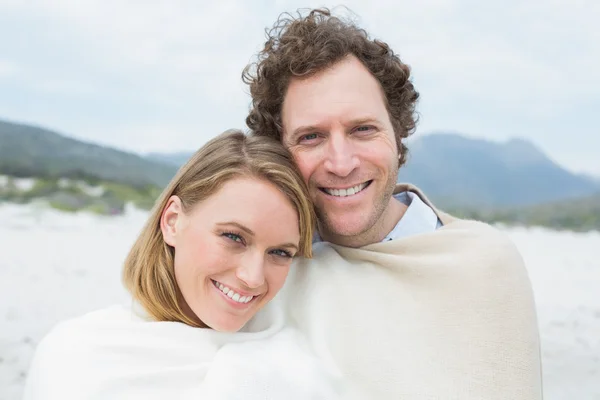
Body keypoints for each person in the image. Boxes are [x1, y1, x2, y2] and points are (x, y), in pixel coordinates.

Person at [242, 8, 543, 399]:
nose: (341, 163)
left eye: (362, 129)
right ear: (279, 150)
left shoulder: (483, 265)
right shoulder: (259, 274)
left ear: (398, 134)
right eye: (311, 137)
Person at [23, 130, 349, 400]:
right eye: (234, 237)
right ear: (173, 221)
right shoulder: (74, 355)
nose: (252, 278)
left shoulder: (302, 364)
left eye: (280, 253)